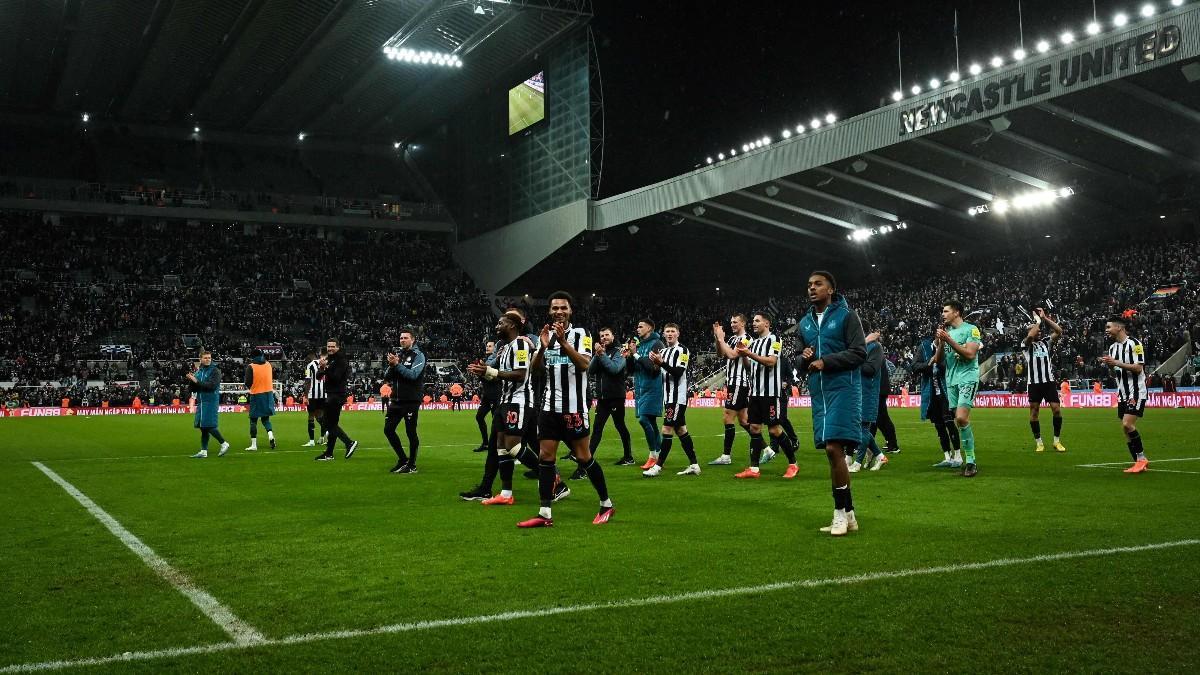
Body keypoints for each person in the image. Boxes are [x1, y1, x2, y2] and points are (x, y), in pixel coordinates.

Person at [518, 291, 614, 528]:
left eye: (563, 308)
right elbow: (536, 370)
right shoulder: (546, 334)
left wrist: (562, 343)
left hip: (574, 408)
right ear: (550, 311)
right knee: (545, 457)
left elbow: (584, 364)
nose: (559, 311)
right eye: (555, 308)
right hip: (549, 407)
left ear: (571, 310)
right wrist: (541, 348)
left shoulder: (582, 334)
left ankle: (606, 504)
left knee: (583, 457)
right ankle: (545, 513)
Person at [797, 271, 867, 536]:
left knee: (833, 449)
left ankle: (839, 514)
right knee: (832, 452)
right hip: (820, 393)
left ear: (831, 289)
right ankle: (849, 514)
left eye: (818, 284)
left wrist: (827, 361)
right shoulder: (804, 323)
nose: (812, 288)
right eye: (809, 285)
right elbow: (798, 362)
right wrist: (803, 358)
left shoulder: (847, 316)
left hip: (844, 389)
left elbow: (859, 352)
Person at [466, 313, 535, 505]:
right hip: (504, 401)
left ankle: (552, 477)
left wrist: (491, 371)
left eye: (500, 323)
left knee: (513, 446)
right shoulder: (504, 348)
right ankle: (506, 494)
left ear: (512, 325)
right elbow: (499, 376)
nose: (497, 326)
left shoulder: (521, 345)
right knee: (501, 448)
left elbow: (520, 375)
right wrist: (484, 372)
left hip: (518, 401)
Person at [734, 312, 800, 479]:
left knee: (775, 429)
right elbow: (751, 368)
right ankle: (754, 469)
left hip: (771, 394)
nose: (754, 323)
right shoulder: (754, 344)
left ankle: (793, 464)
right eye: (753, 321)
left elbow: (771, 362)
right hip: (755, 393)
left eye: (757, 321)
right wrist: (743, 356)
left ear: (767, 324)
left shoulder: (775, 340)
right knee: (755, 428)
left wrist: (748, 353)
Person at [643, 323, 700, 477]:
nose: (669, 334)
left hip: (677, 397)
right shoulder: (662, 351)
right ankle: (694, 465)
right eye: (667, 331)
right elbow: (657, 373)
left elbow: (678, 372)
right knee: (681, 430)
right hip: (667, 398)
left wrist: (661, 363)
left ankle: (658, 466)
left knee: (666, 429)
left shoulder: (683, 350)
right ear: (664, 334)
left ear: (678, 334)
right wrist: (654, 364)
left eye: (672, 331)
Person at [934, 300, 982, 478]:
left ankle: (970, 460)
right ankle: (968, 459)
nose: (943, 314)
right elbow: (939, 360)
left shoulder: (972, 329)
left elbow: (970, 354)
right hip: (951, 381)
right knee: (959, 421)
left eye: (946, 311)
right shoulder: (948, 333)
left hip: (967, 378)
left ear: (956, 312)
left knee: (961, 418)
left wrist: (948, 339)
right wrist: (940, 342)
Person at [1101, 316, 1150, 473]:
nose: (1106, 330)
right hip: (1122, 392)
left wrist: (1116, 363)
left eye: (1109, 327)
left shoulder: (1135, 344)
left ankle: (1141, 459)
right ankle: (1137, 461)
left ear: (1119, 327)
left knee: (1127, 424)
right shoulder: (1112, 348)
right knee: (1125, 428)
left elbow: (1138, 368)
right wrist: (1109, 365)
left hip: (1136, 391)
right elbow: (1116, 372)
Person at [588, 327, 634, 468]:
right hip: (603, 398)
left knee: (620, 426)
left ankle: (628, 456)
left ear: (613, 336)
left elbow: (615, 369)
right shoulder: (601, 352)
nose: (604, 337)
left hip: (615, 397)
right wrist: (598, 354)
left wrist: (601, 355)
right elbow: (590, 370)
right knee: (597, 429)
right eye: (601, 335)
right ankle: (585, 463)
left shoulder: (620, 351)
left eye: (607, 335)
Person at [710, 314, 753, 465]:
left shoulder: (746, 339)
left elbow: (733, 355)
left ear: (743, 323)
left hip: (739, 383)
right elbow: (721, 353)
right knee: (743, 421)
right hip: (734, 384)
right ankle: (766, 449)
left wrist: (721, 339)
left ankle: (726, 456)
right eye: (731, 322)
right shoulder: (732, 339)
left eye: (735, 322)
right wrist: (717, 338)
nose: (732, 324)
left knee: (727, 417)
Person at [1023, 308, 1067, 453]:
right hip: (1034, 384)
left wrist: (1044, 318)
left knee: (1056, 410)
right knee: (1034, 412)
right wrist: (1037, 322)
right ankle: (1039, 442)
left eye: (1040, 330)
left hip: (1048, 382)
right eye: (1036, 330)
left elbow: (1059, 331)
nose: (1039, 331)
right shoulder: (1025, 344)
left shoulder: (1046, 342)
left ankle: (1056, 441)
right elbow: (1030, 336)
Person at [383, 329, 426, 474]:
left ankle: (412, 464)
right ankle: (402, 459)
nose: (402, 340)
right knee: (388, 430)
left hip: (411, 400)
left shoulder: (418, 356)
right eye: (401, 338)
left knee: (410, 432)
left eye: (405, 338)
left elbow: (413, 375)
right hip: (396, 399)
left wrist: (397, 365)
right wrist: (391, 364)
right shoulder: (398, 355)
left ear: (412, 339)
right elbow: (387, 377)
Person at [914, 335, 961, 467]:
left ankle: (958, 456)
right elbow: (915, 366)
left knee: (950, 423)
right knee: (939, 427)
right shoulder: (924, 347)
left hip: (946, 392)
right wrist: (930, 362)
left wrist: (938, 361)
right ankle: (947, 457)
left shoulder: (949, 347)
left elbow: (949, 367)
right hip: (931, 395)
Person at [626, 319, 665, 470]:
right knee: (651, 422)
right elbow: (631, 370)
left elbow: (653, 369)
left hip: (653, 387)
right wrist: (630, 356)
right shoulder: (640, 346)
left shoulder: (657, 344)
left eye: (640, 326)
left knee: (643, 420)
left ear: (649, 328)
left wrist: (636, 355)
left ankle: (653, 455)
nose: (637, 329)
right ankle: (660, 455)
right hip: (641, 388)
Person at [314, 338, 358, 461]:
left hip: (337, 395)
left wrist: (325, 368)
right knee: (332, 424)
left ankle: (349, 443)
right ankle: (329, 453)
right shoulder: (330, 359)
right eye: (328, 347)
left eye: (333, 346)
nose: (330, 349)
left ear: (338, 347)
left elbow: (336, 377)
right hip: (331, 394)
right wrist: (322, 367)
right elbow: (318, 376)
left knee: (327, 422)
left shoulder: (341, 360)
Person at [850, 327, 887, 472]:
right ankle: (880, 456)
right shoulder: (862, 346)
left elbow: (871, 369)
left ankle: (857, 463)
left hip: (869, 393)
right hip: (858, 392)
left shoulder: (876, 347)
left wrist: (855, 360)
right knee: (860, 428)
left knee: (863, 427)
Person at [188, 351, 230, 458]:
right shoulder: (199, 372)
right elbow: (193, 388)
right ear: (200, 359)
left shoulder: (215, 371)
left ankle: (224, 443)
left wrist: (196, 381)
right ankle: (203, 451)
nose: (208, 359)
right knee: (203, 427)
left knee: (209, 425)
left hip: (211, 401)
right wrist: (191, 381)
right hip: (201, 402)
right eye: (205, 358)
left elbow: (212, 386)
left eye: (209, 358)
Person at [243, 348, 276, 451]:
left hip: (256, 394)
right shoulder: (268, 364)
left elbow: (247, 382)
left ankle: (254, 445)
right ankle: (270, 435)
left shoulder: (251, 366)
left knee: (253, 420)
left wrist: (252, 387)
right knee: (265, 419)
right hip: (268, 394)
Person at [473, 341, 500, 453]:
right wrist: (479, 373)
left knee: (496, 422)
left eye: (490, 346)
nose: (487, 347)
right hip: (487, 396)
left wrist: (482, 372)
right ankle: (485, 443)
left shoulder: (497, 361)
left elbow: (496, 378)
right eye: (487, 346)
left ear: (495, 349)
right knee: (479, 417)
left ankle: (498, 446)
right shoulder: (486, 361)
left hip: (496, 395)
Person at [301, 349, 327, 447]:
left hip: (313, 395)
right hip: (324, 395)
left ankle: (311, 441)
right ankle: (322, 437)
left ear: (310, 355)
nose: (305, 359)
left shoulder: (309, 366)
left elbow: (308, 382)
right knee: (320, 416)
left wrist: (306, 396)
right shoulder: (325, 363)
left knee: (311, 416)